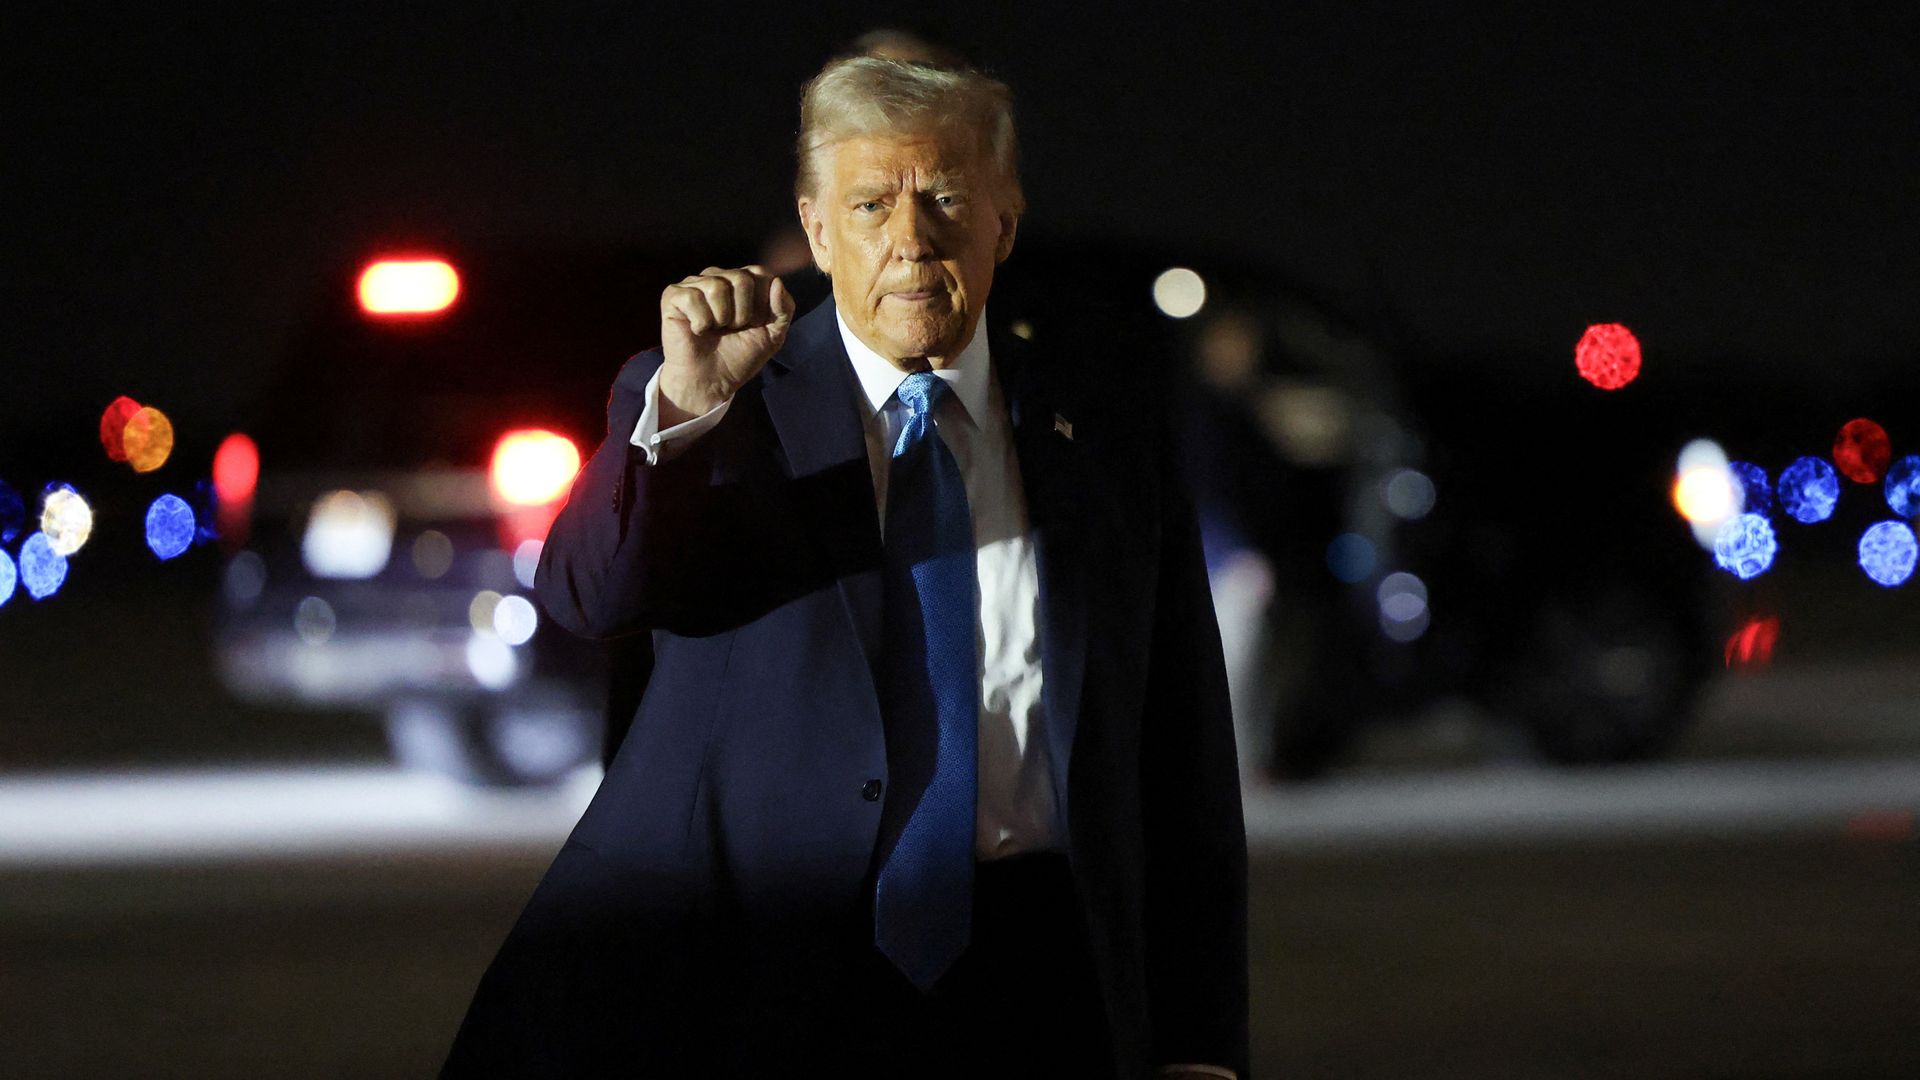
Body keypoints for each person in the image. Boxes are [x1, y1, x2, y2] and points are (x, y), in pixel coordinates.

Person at [440, 55, 1247, 1080]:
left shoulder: (1107, 436)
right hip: (773, 978)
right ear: (818, 230)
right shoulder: (716, 407)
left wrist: (1202, 1043)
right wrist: (687, 415)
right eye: (872, 204)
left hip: (1043, 976)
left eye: (947, 196)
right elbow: (591, 595)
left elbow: (1182, 766)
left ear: (1005, 219)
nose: (911, 239)